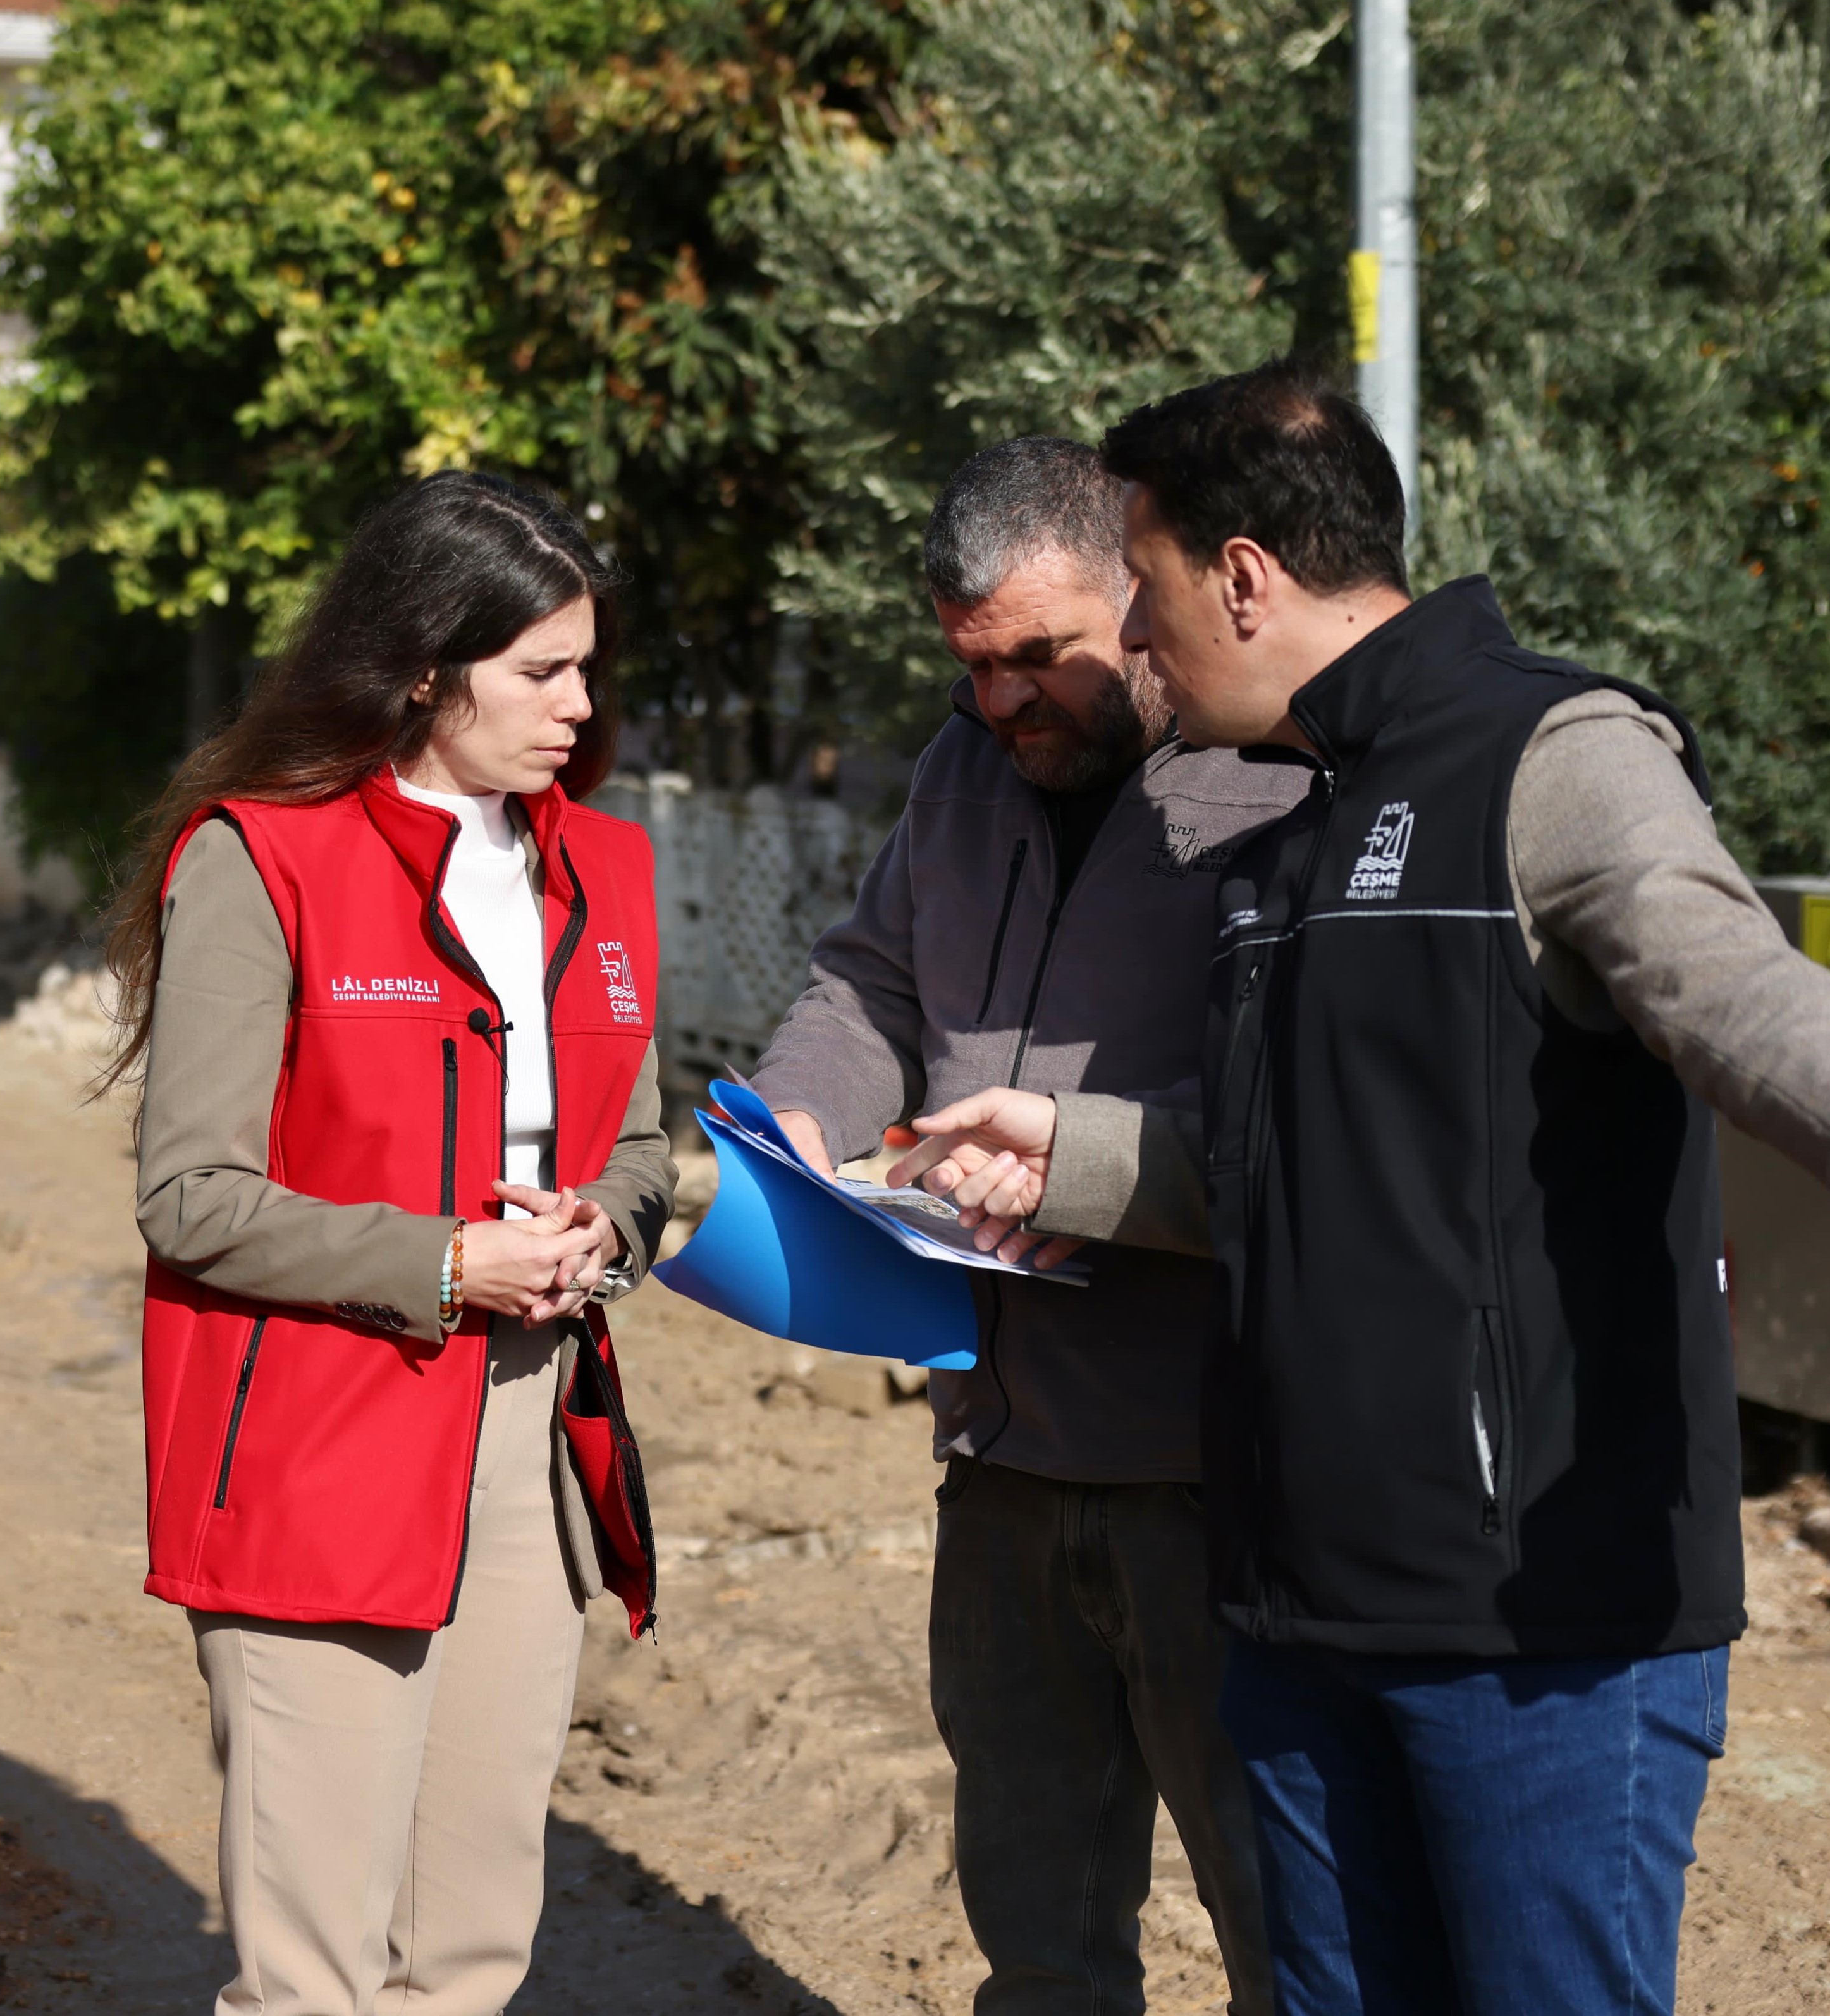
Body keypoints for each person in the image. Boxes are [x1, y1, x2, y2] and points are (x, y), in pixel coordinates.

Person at [893, 363, 1830, 2016]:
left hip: (1533, 1638)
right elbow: (1286, 1170)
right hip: (1290, 1615)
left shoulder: (1550, 754)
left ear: (1240, 576)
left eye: (1136, 596)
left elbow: (1737, 985)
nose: (1128, 647)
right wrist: (1058, 1150)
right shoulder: (1283, 826)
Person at [113, 470, 675, 2016]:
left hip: (530, 1425)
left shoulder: (604, 870)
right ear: (425, 668)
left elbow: (635, 1144)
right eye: (541, 671)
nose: (579, 705)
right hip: (321, 1427)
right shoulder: (260, 855)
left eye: (588, 670)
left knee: (476, 1939)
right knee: (314, 1969)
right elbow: (191, 1196)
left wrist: (598, 1225)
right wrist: (441, 1263)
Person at [750, 438, 1298, 2015]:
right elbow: (872, 981)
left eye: (1035, 659)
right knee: (1040, 1940)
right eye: (970, 667)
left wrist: (1073, 1164)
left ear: (1142, 587)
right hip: (998, 1460)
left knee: (1291, 1933)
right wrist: (805, 1109)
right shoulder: (959, 771)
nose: (1001, 704)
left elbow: (1315, 1130)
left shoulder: (1282, 780)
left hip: (1219, 1476)